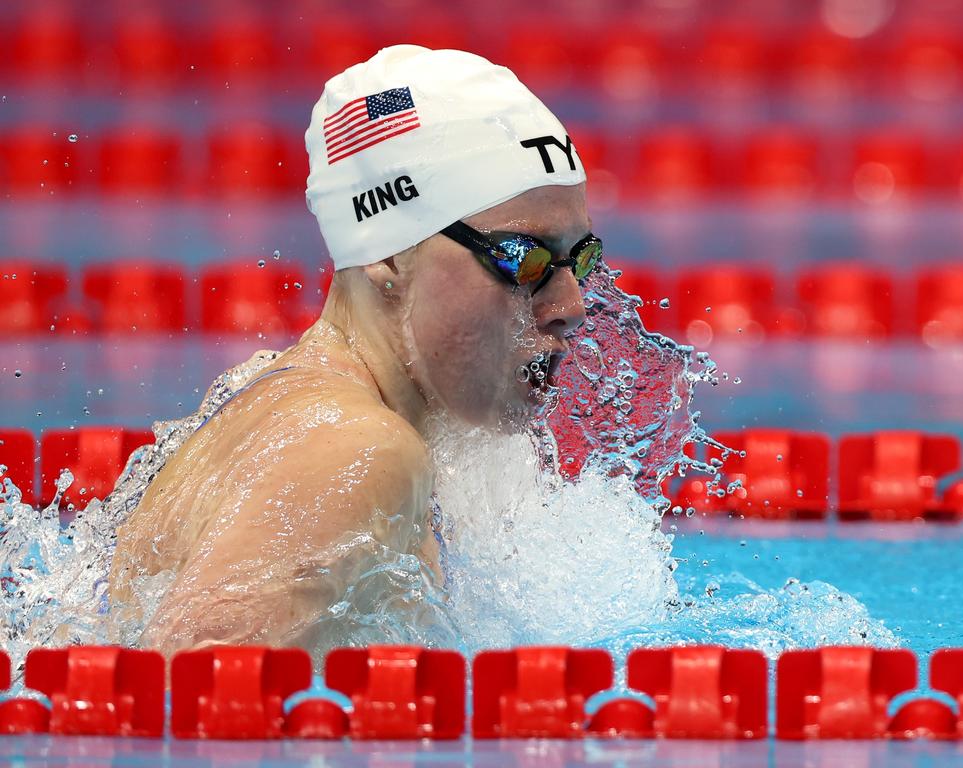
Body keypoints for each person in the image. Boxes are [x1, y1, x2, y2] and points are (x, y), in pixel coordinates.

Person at [108, 45, 603, 657]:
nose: (572, 304)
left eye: (582, 258)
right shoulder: (356, 450)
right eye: (520, 259)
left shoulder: (294, 397)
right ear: (389, 255)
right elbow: (194, 713)